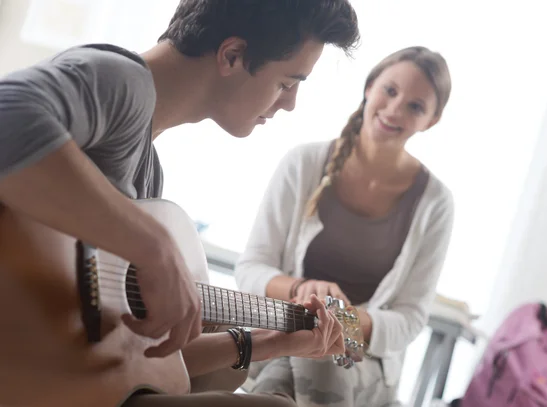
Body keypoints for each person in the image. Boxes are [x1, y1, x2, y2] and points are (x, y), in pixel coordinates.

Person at [0, 0, 360, 406]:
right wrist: (153, 248)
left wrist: (272, 342)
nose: (290, 103)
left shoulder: (147, 177)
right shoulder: (121, 79)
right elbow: (6, 115)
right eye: (287, 82)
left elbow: (138, 358)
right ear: (233, 55)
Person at [234, 46, 455, 407]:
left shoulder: (436, 203)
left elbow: (410, 319)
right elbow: (251, 269)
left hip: (365, 362)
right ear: (369, 87)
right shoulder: (303, 163)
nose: (395, 109)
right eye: (390, 90)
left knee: (316, 359)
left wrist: (339, 322)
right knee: (302, 359)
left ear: (431, 120)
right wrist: (304, 290)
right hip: (283, 336)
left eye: (416, 106)